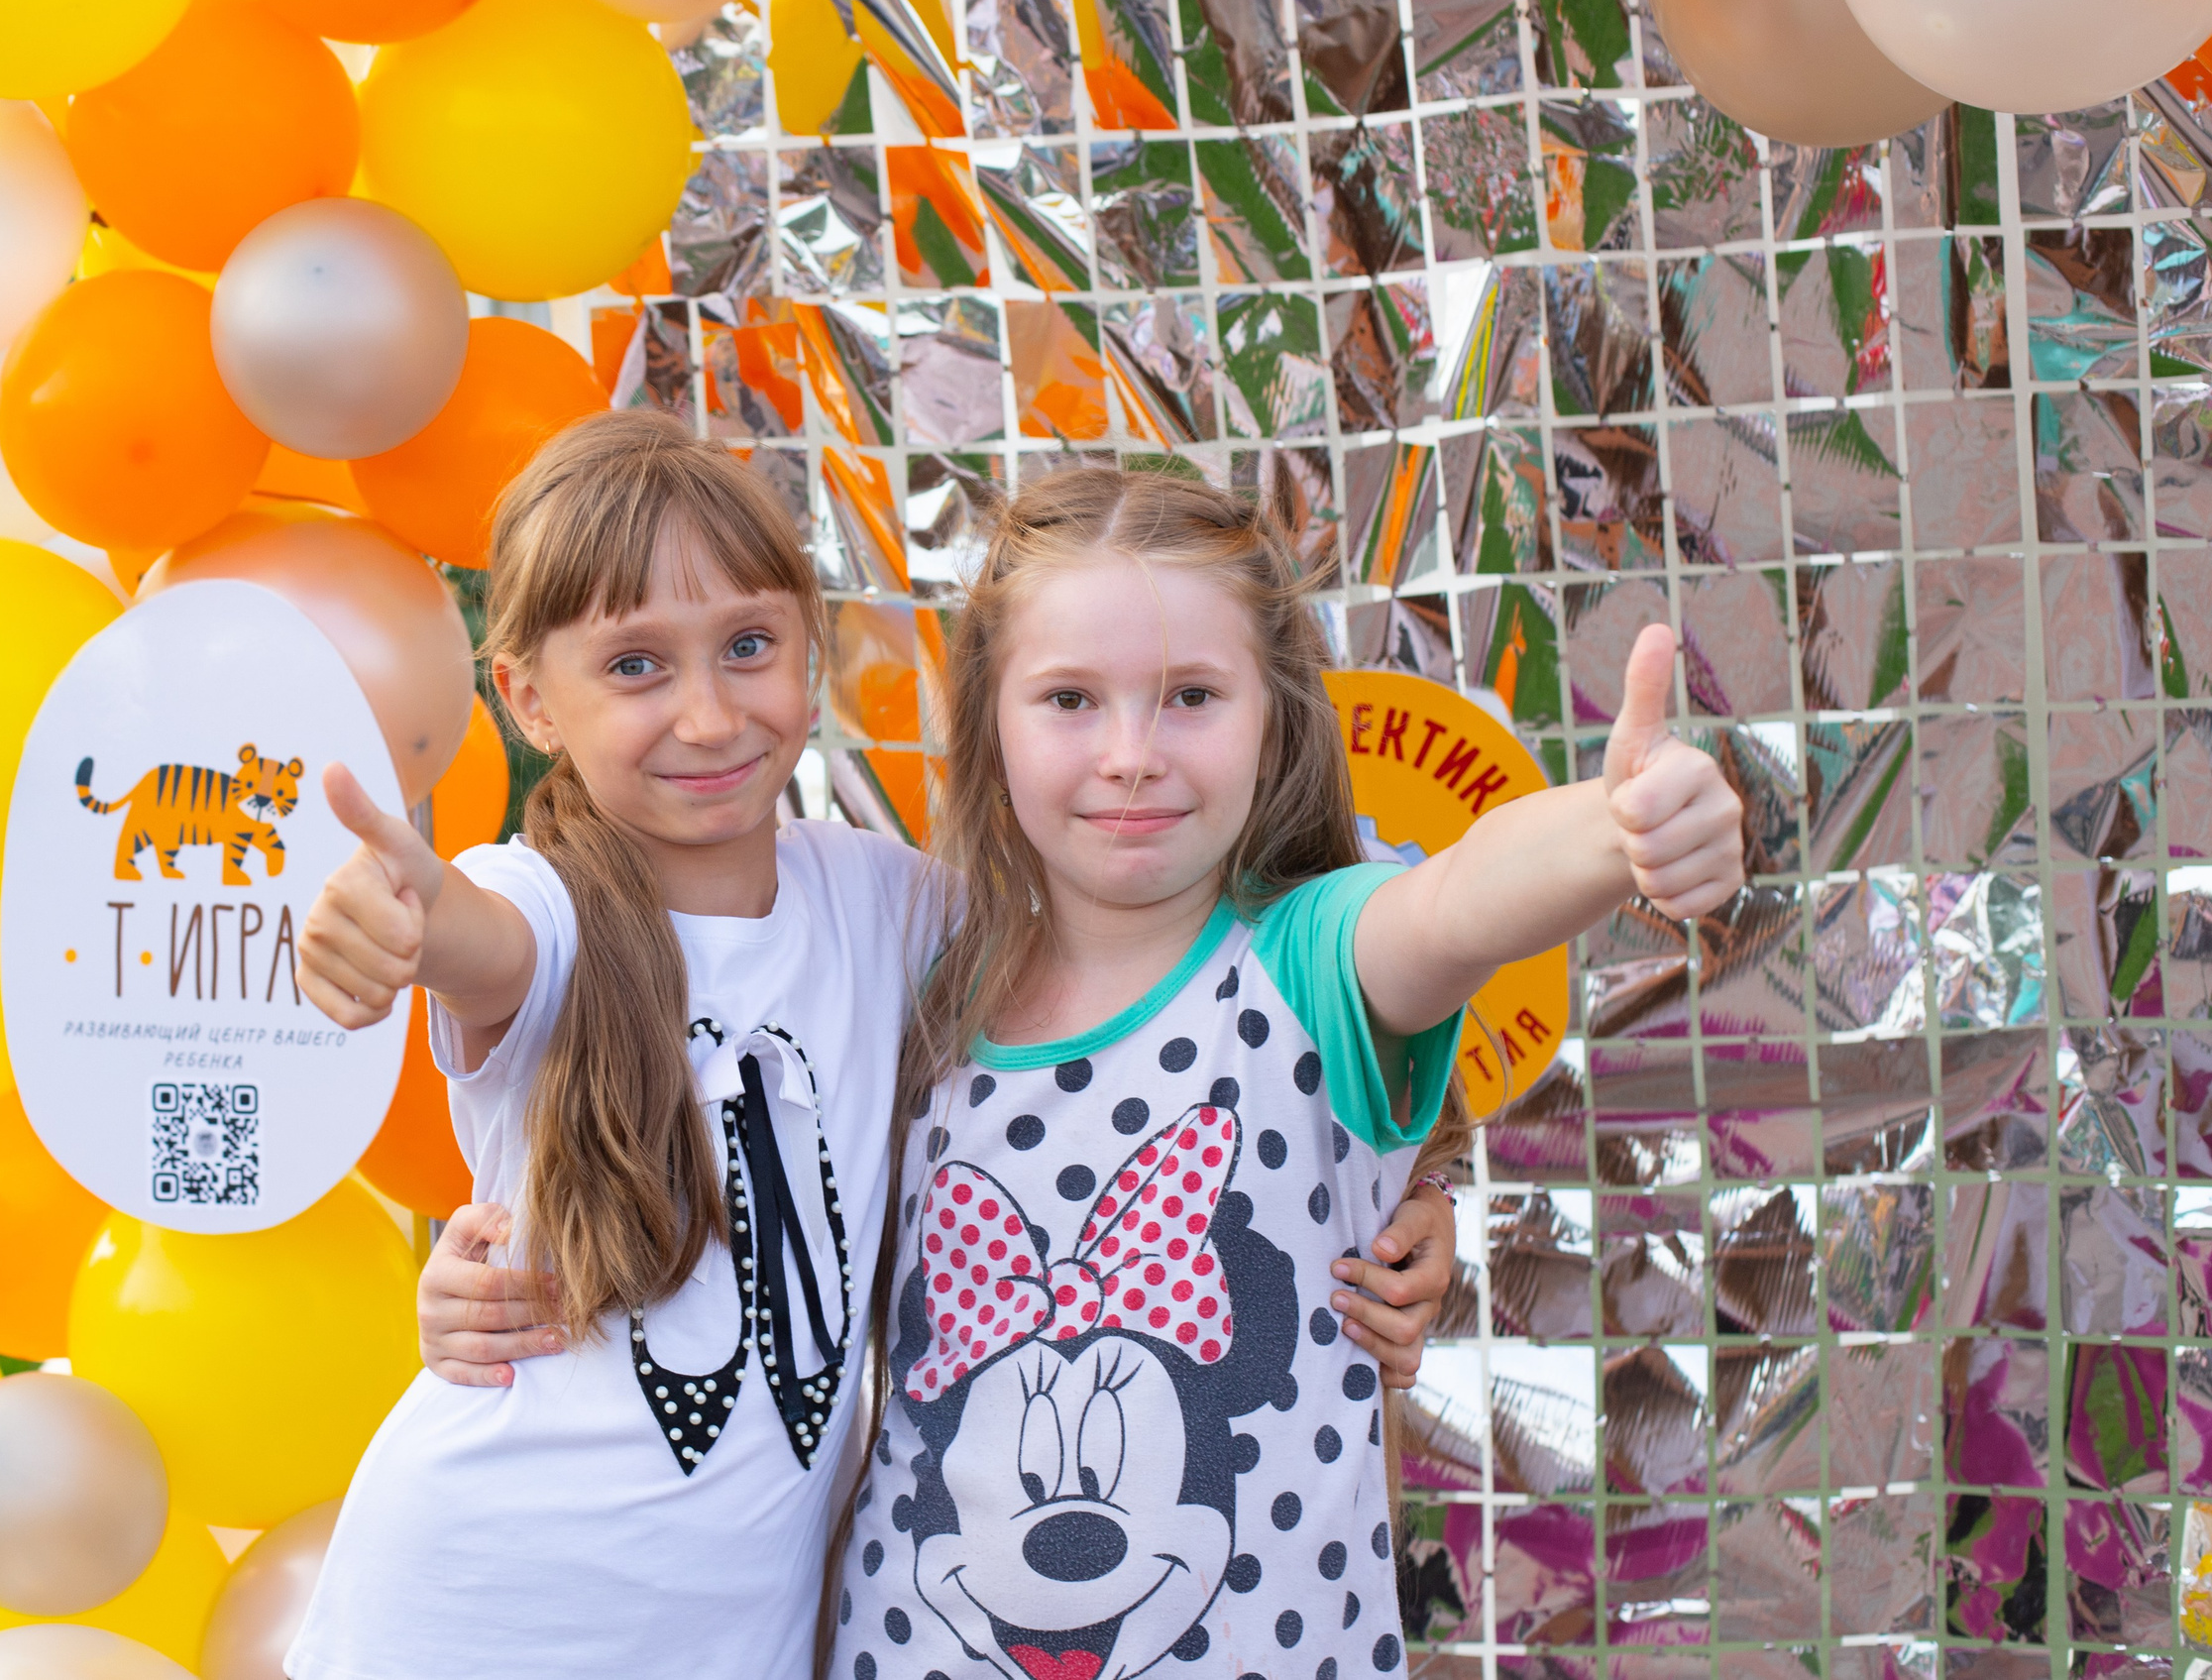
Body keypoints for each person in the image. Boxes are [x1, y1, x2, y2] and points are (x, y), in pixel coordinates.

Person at [280, 413, 1460, 1680]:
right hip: (473, 1612)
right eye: (633, 667)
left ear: (809, 645)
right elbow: (484, 942)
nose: (708, 713)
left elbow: (1160, 994)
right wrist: (400, 923)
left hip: (740, 1640)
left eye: (747, 647)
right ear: (527, 699)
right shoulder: (543, 902)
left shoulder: (889, 907)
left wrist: (1411, 1183)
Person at [816, 466, 1744, 1680]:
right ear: (991, 720)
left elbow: (1457, 902)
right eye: (1069, 701)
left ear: (1274, 714)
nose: (1131, 754)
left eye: (1191, 696)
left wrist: (1616, 829)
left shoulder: (1309, 961)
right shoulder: (916, 972)